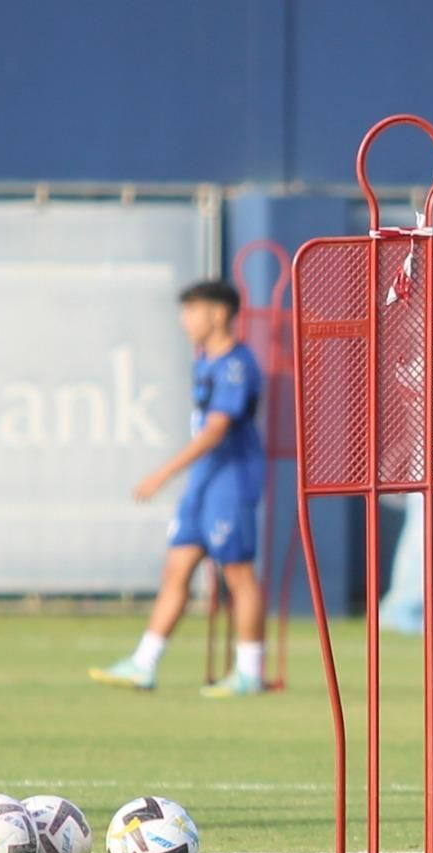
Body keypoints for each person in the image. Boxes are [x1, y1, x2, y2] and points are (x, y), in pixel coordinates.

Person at [91, 280, 266, 697]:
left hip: (230, 482)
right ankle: (144, 663)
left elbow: (217, 431)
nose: (185, 320)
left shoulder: (236, 366)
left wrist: (163, 473)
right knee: (176, 570)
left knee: (238, 574)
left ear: (219, 314)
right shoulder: (204, 361)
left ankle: (249, 672)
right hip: (202, 484)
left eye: (193, 310)